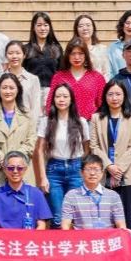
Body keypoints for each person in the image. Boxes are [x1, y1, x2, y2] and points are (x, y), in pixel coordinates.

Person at [36, 81, 91, 227]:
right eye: (58, 96)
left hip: (76, 169)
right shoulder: (46, 121)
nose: (61, 100)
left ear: (71, 99)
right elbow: (40, 150)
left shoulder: (81, 122)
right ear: (53, 99)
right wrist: (43, 177)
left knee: (76, 214)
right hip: (54, 169)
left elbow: (87, 148)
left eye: (65, 96)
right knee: (58, 217)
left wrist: (81, 169)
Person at [90, 80, 131, 226]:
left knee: (127, 218)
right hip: (103, 175)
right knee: (105, 219)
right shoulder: (96, 118)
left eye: (118, 94)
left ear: (124, 96)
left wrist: (118, 170)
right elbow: (94, 146)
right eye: (110, 94)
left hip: (127, 176)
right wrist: (109, 166)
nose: (114, 98)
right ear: (105, 96)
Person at [0, 72, 37, 196]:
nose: (8, 91)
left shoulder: (27, 115)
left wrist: (15, 162)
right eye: (4, 87)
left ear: (18, 90)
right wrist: (6, 162)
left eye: (11, 88)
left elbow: (31, 141)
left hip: (21, 170)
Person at [48, 38, 107, 120]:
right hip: (65, 122)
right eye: (73, 54)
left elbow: (103, 104)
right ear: (68, 55)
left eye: (80, 53)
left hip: (90, 123)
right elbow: (50, 103)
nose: (77, 57)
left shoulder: (97, 77)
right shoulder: (58, 77)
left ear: (86, 55)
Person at [3, 39, 44, 118]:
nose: (14, 56)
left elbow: (35, 108)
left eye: (18, 53)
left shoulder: (33, 80)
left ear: (24, 55)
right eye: (10, 53)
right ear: (6, 56)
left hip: (26, 122)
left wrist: (31, 124)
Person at [24, 12, 64, 90]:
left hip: (52, 91)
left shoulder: (57, 48)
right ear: (33, 27)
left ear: (50, 27)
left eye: (45, 25)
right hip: (31, 91)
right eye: (39, 25)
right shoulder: (26, 49)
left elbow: (61, 72)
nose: (42, 28)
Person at [73, 14, 110, 79]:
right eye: (81, 26)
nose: (85, 28)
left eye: (88, 25)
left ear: (93, 28)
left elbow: (107, 72)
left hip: (99, 83)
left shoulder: (102, 49)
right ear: (76, 30)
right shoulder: (72, 50)